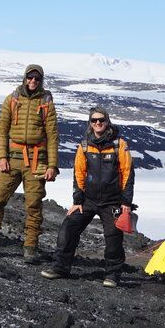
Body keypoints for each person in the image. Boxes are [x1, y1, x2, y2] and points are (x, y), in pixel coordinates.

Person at [41, 107, 135, 287]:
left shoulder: (119, 144)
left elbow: (127, 173)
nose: (98, 123)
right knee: (69, 227)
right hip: (88, 200)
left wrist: (126, 203)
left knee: (114, 237)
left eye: (101, 120)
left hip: (113, 201)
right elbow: (79, 173)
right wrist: (77, 201)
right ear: (90, 123)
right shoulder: (84, 145)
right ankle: (60, 267)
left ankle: (113, 275)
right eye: (94, 120)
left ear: (107, 121)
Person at [0, 64, 59, 263]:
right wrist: (1, 157)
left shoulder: (46, 102)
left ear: (41, 81)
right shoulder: (12, 99)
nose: (33, 82)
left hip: (37, 161)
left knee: (34, 205)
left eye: (37, 79)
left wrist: (52, 166)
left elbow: (53, 136)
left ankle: (30, 247)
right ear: (25, 78)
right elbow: (2, 130)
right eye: (30, 77)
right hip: (12, 159)